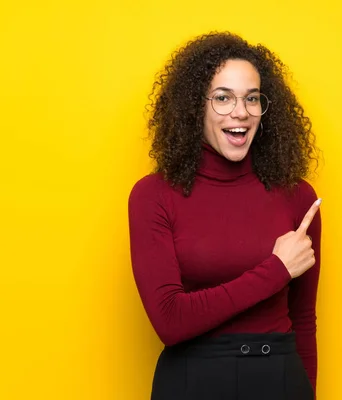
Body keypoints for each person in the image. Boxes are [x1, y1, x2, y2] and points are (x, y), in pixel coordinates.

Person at [128, 31, 322, 400]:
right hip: (190, 383)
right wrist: (276, 270)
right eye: (222, 98)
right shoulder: (153, 195)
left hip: (280, 380)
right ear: (194, 106)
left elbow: (304, 322)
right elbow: (169, 321)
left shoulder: (298, 197)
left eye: (252, 98)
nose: (241, 111)